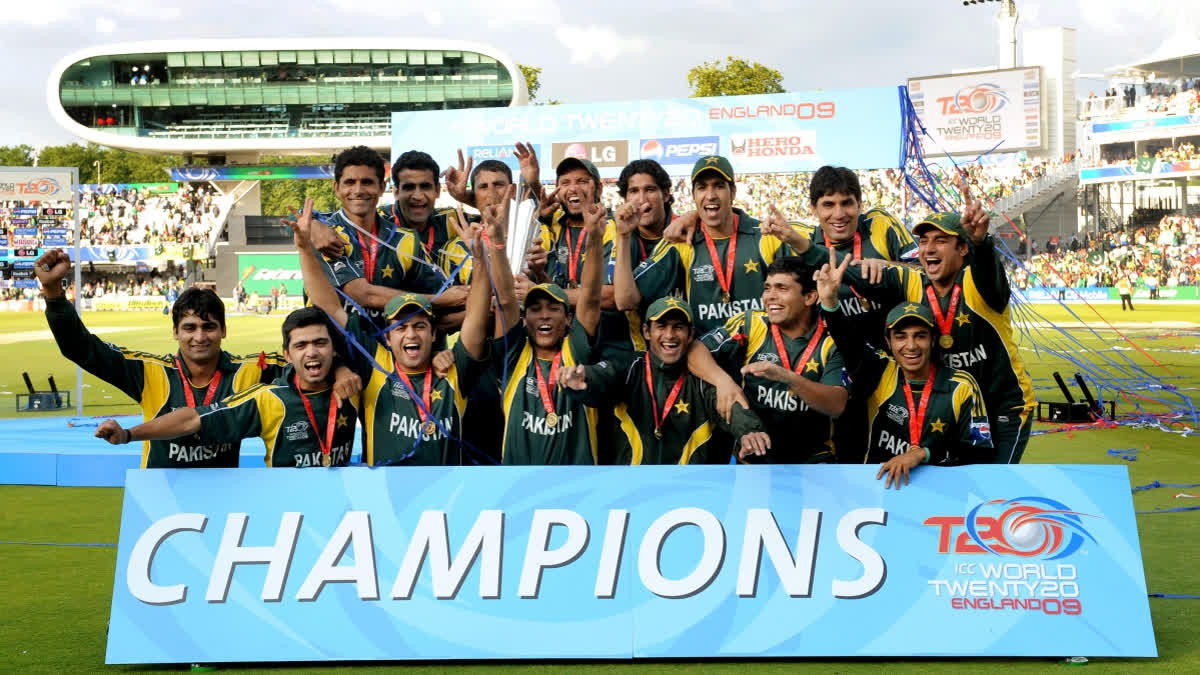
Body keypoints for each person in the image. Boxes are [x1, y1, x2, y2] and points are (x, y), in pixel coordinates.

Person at [34, 248, 360, 468]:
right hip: (161, 500)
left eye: (209, 327)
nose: (199, 336)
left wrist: (343, 368)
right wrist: (53, 294)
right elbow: (81, 349)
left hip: (223, 505)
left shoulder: (253, 370)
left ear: (223, 331)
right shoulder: (149, 372)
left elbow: (309, 358)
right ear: (175, 331)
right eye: (189, 327)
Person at [797, 203, 1035, 465]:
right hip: (952, 405)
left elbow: (989, 270)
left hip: (1002, 406)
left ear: (963, 248)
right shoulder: (910, 279)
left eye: (941, 240)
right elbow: (847, 270)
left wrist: (981, 242)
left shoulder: (978, 283)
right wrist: (794, 241)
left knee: (992, 484)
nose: (929, 248)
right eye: (923, 241)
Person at [286, 197, 494, 466]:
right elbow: (329, 305)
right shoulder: (375, 367)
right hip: (386, 504)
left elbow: (476, 317)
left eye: (419, 326)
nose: (410, 335)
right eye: (401, 327)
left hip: (446, 502)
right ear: (387, 337)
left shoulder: (454, 370)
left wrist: (480, 259)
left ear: (433, 334)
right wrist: (304, 248)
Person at [95, 307, 359, 468]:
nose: (311, 352)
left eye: (320, 343)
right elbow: (192, 419)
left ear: (334, 349)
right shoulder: (267, 399)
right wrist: (128, 435)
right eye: (301, 346)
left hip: (345, 512)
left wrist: (343, 368)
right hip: (289, 515)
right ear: (287, 355)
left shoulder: (358, 386)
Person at [814, 250, 992, 488]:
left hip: (941, 501)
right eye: (900, 337)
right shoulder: (880, 371)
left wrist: (923, 454)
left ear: (932, 340)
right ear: (888, 343)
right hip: (878, 493)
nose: (910, 346)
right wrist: (830, 303)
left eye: (920, 336)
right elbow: (849, 341)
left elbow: (979, 455)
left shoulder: (962, 385)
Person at [557, 296, 769, 464]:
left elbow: (726, 404)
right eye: (661, 326)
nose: (670, 335)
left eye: (678, 327)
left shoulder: (704, 375)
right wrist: (583, 381)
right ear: (647, 332)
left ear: (690, 333)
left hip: (692, 499)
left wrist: (749, 430)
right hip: (630, 494)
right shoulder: (629, 366)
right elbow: (603, 376)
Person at [486, 189, 608, 464]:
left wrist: (595, 238)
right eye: (535, 309)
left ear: (567, 320)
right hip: (519, 490)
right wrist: (495, 242)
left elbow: (590, 298)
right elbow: (505, 300)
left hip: (578, 492)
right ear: (525, 320)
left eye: (554, 309)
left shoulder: (574, 348)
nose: (544, 316)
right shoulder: (515, 355)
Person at [689, 257, 848, 462]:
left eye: (782, 288)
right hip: (754, 458)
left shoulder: (832, 340)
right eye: (767, 288)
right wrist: (722, 381)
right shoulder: (751, 323)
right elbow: (694, 350)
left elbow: (836, 405)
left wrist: (787, 378)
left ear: (809, 297)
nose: (770, 297)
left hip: (814, 461)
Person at [617, 155, 797, 337]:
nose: (710, 195)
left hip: (762, 356)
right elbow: (625, 301)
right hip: (705, 357)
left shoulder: (766, 237)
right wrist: (623, 236)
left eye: (719, 186)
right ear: (694, 195)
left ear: (733, 192)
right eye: (702, 187)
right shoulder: (681, 243)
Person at [306, 146, 461, 329]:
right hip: (334, 352)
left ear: (382, 187)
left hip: (392, 352)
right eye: (349, 182)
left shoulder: (407, 240)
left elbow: (442, 307)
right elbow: (361, 294)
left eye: (367, 182)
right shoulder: (324, 235)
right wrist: (442, 300)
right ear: (337, 188)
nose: (358, 190)